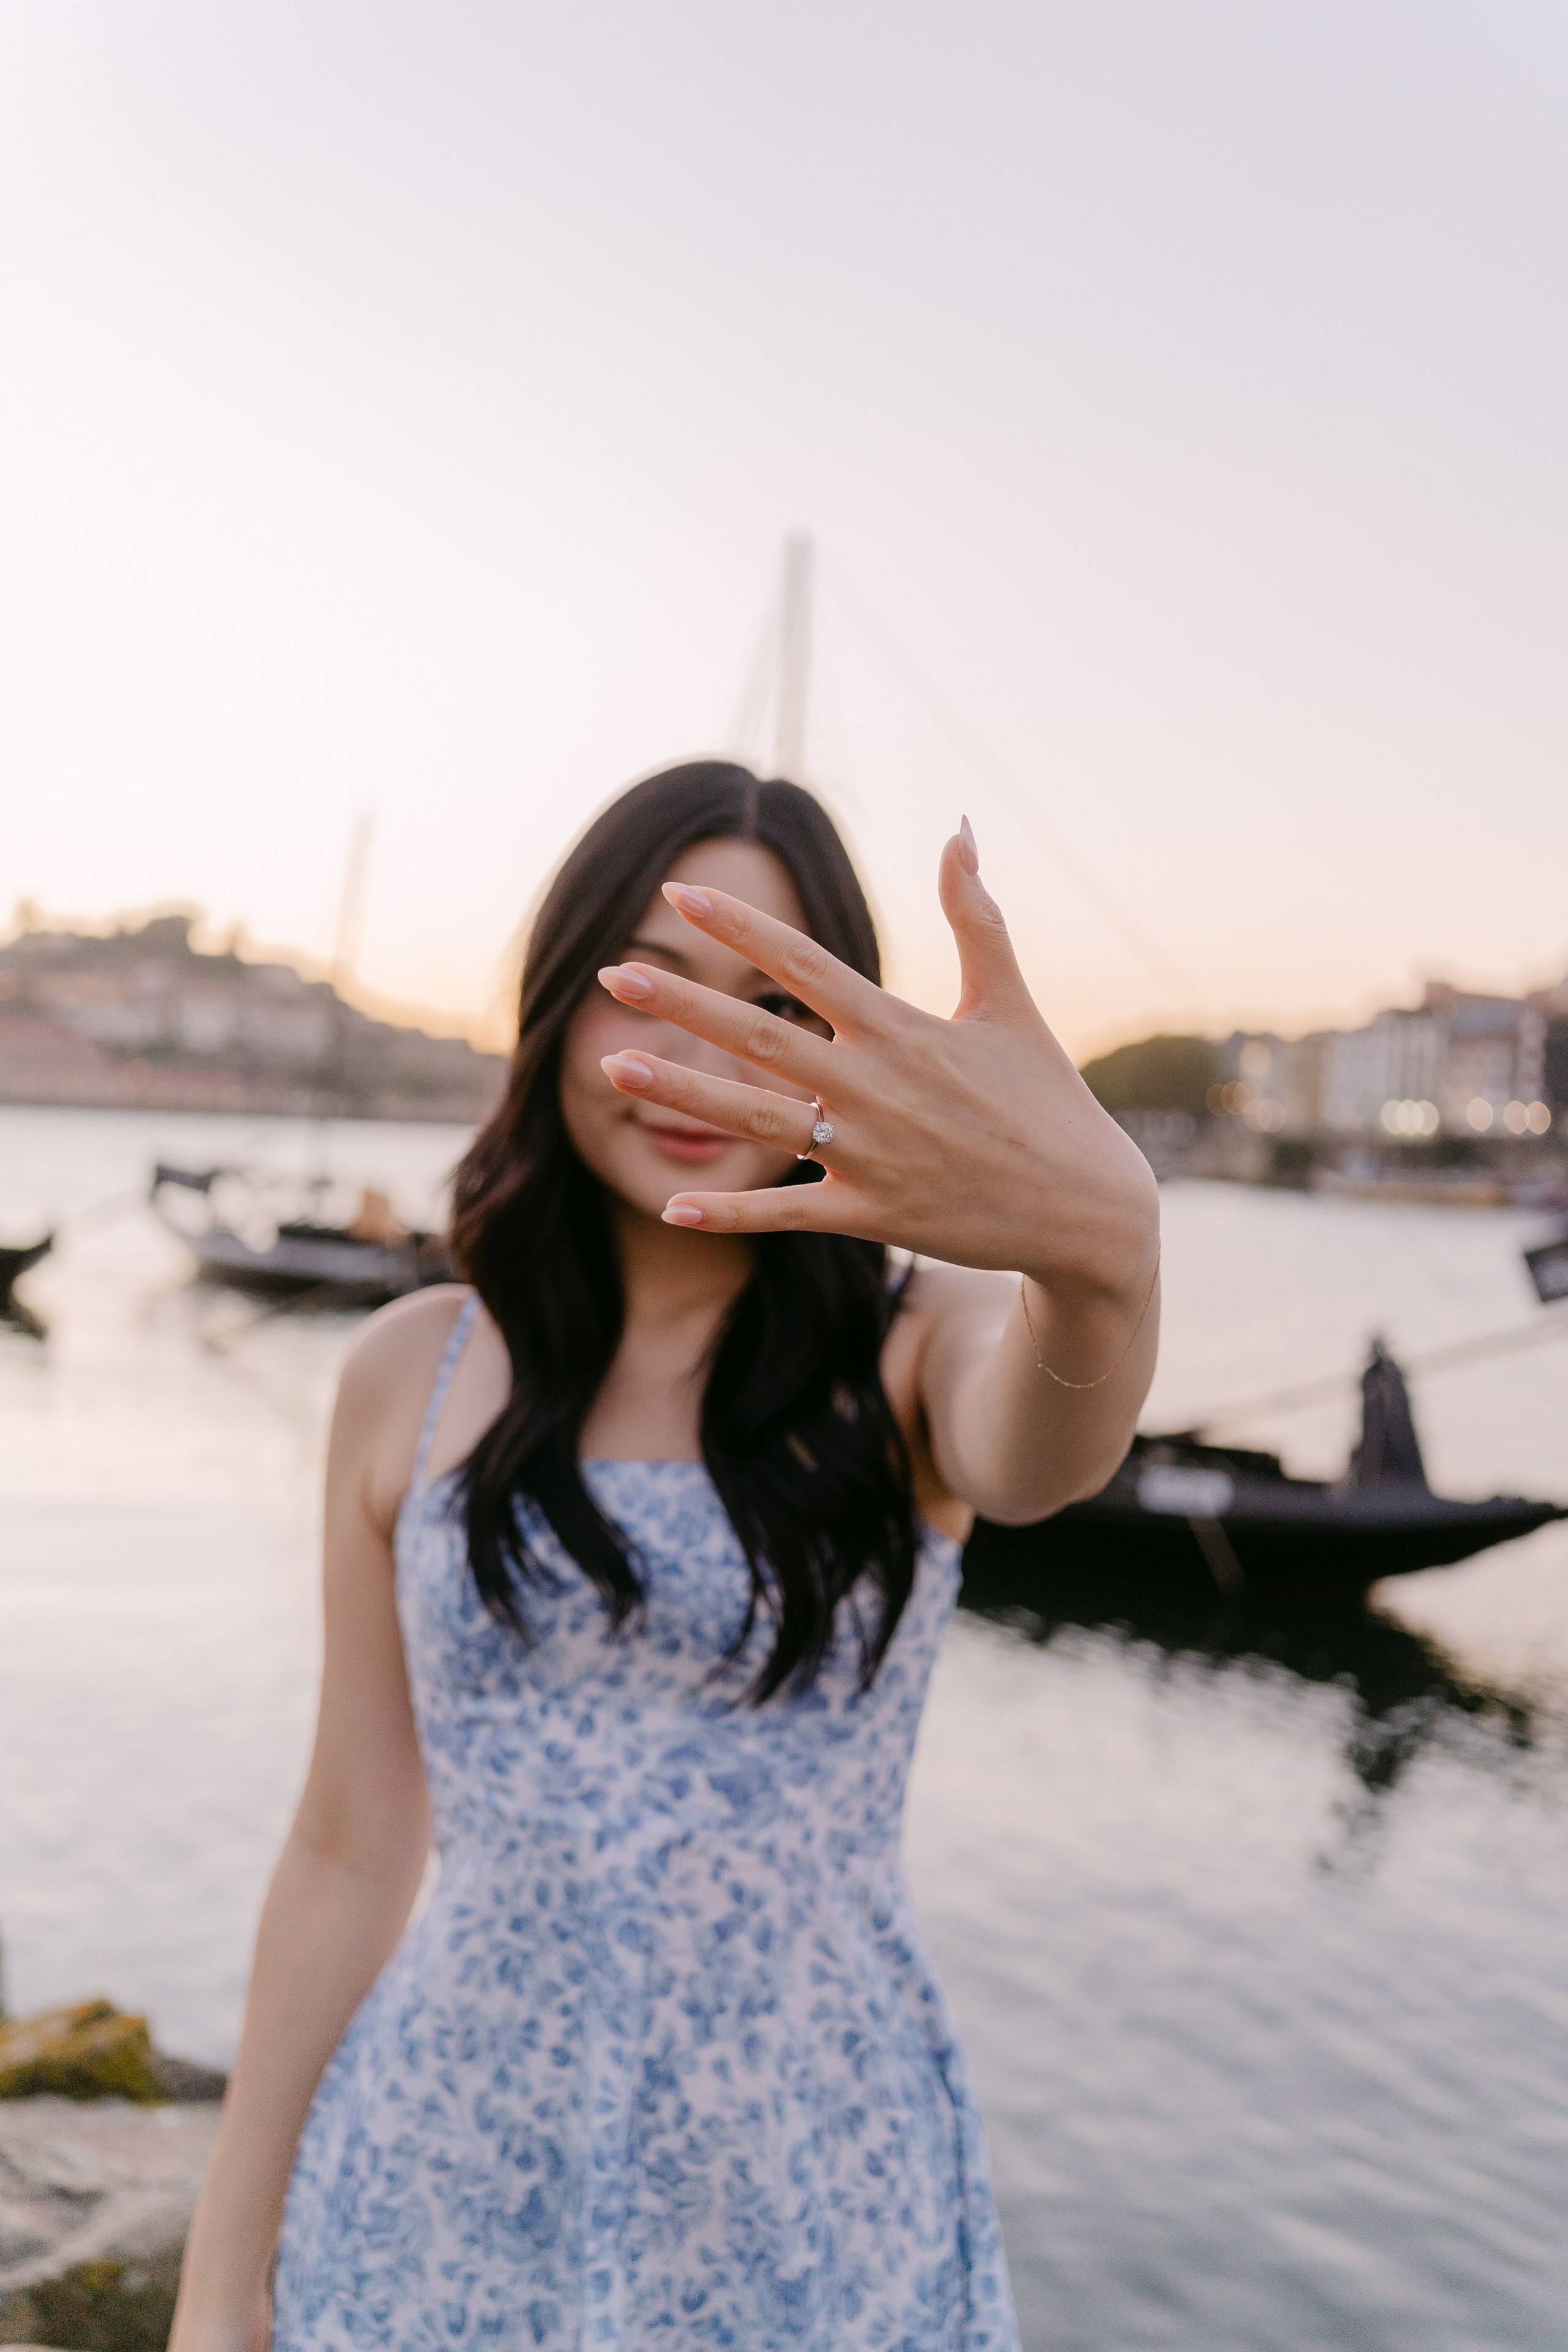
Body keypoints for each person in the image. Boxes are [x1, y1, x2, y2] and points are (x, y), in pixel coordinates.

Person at [170, 761, 1160, 2352]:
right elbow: (350, 1850)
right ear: (558, 1000)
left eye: (766, 1012)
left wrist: (1104, 1251)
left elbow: (1049, 1453)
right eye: (650, 989)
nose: (696, 1065)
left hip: (809, 2199)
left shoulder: (918, 1348)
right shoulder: (412, 1370)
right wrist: (223, 2280)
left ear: (844, 1048)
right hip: (442, 2178)